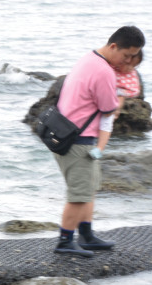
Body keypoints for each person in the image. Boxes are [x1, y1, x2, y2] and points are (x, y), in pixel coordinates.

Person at [52, 25, 144, 257]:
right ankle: (65, 241)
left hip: (72, 134)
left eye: (133, 56)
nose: (129, 60)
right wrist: (118, 101)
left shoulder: (88, 58)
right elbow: (107, 107)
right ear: (114, 46)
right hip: (78, 139)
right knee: (79, 194)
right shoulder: (103, 71)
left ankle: (86, 235)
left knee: (89, 189)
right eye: (126, 55)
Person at [95, 49, 143, 148]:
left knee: (108, 120)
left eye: (134, 66)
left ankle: (99, 148)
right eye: (129, 65)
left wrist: (117, 108)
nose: (130, 69)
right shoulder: (111, 66)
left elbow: (126, 91)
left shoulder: (130, 73)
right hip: (106, 94)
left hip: (117, 96)